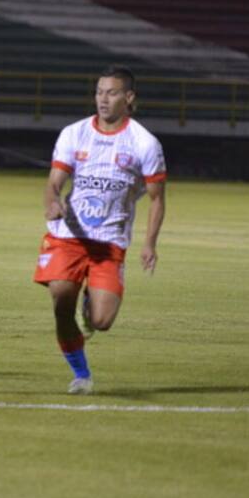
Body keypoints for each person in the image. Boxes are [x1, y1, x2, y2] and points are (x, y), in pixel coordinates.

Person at [33, 65, 166, 394]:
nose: (103, 99)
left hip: (109, 244)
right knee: (61, 299)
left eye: (112, 92)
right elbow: (54, 183)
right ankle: (81, 374)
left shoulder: (144, 143)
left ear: (129, 97)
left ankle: (90, 303)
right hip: (69, 236)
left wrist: (149, 244)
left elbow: (157, 199)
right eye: (99, 92)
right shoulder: (74, 133)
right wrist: (52, 202)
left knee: (102, 321)